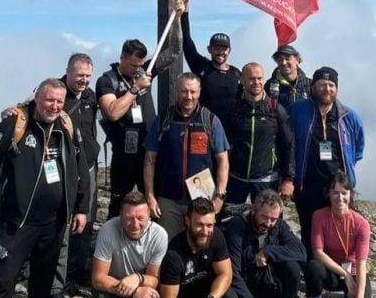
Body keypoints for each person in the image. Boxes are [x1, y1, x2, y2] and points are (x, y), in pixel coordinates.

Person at [0, 78, 91, 298]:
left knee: (42, 280)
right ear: (37, 98)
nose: (54, 106)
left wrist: (82, 208)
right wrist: (0, 205)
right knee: (4, 282)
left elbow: (81, 168)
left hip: (53, 223)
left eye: (60, 101)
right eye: (49, 100)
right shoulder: (14, 124)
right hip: (17, 224)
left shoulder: (65, 127)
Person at [0, 53, 99, 298]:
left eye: (88, 76)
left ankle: (78, 272)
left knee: (83, 223)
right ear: (67, 72)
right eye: (79, 75)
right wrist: (9, 112)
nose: (84, 81)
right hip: (58, 166)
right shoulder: (52, 91)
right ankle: (55, 289)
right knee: (61, 232)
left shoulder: (90, 96)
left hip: (85, 165)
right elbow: (25, 110)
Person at [97, 4, 183, 219]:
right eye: (134, 65)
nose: (138, 69)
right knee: (119, 203)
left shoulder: (146, 70)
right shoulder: (107, 80)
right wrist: (135, 88)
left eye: (141, 65)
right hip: (124, 151)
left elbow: (173, 51)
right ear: (122, 57)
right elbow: (112, 113)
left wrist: (179, 17)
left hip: (149, 148)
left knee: (153, 198)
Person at [224, 190, 324, 298]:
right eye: (264, 217)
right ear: (254, 210)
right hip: (246, 290)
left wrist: (269, 252)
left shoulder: (278, 226)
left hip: (267, 285)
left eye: (273, 219)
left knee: (292, 267)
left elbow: (301, 252)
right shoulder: (237, 229)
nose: (268, 223)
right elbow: (233, 275)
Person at [289, 66, 364, 260]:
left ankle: (341, 269)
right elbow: (287, 143)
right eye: (322, 84)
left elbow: (358, 149)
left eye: (331, 85)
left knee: (341, 226)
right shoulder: (297, 111)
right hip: (308, 185)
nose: (327, 89)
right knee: (309, 227)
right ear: (313, 87)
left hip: (339, 186)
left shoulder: (349, 116)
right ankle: (314, 269)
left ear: (336, 89)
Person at [143, 73, 230, 237]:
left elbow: (223, 162)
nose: (188, 96)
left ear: (199, 92)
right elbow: (149, 161)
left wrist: (219, 197)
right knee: (168, 248)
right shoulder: (163, 120)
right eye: (184, 91)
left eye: (193, 92)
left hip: (202, 200)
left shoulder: (210, 121)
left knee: (201, 246)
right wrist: (150, 196)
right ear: (176, 91)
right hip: (169, 199)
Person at [91, 191, 168, 298]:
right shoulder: (108, 230)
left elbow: (154, 279)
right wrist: (132, 291)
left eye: (140, 218)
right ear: (120, 216)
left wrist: (138, 279)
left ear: (149, 215)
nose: (135, 224)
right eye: (128, 218)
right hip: (111, 286)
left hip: (139, 287)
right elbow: (98, 279)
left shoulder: (159, 235)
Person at [157, 198, 238, 298]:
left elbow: (226, 273)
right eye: (199, 224)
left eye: (209, 225)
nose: (205, 231)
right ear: (187, 221)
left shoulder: (216, 236)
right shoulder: (174, 254)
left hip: (203, 297)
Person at [308, 171, 375, 298]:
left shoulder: (361, 224)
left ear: (350, 194)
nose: (340, 198)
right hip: (333, 271)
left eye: (344, 193)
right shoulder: (319, 216)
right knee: (313, 267)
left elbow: (361, 263)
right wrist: (345, 275)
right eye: (335, 193)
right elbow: (317, 252)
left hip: (354, 272)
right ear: (329, 194)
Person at [223, 62, 295, 205]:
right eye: (251, 78)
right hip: (236, 179)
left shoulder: (275, 110)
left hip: (267, 180)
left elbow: (288, 145)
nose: (256, 82)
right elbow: (222, 145)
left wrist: (288, 179)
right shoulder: (233, 109)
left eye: (260, 78)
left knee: (267, 224)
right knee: (230, 224)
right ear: (242, 81)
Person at [180, 0, 241, 126]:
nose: (220, 52)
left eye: (224, 48)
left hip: (231, 134)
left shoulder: (237, 74)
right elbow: (186, 41)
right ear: (209, 50)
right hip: (204, 128)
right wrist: (185, 11)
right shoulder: (202, 67)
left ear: (229, 50)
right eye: (216, 48)